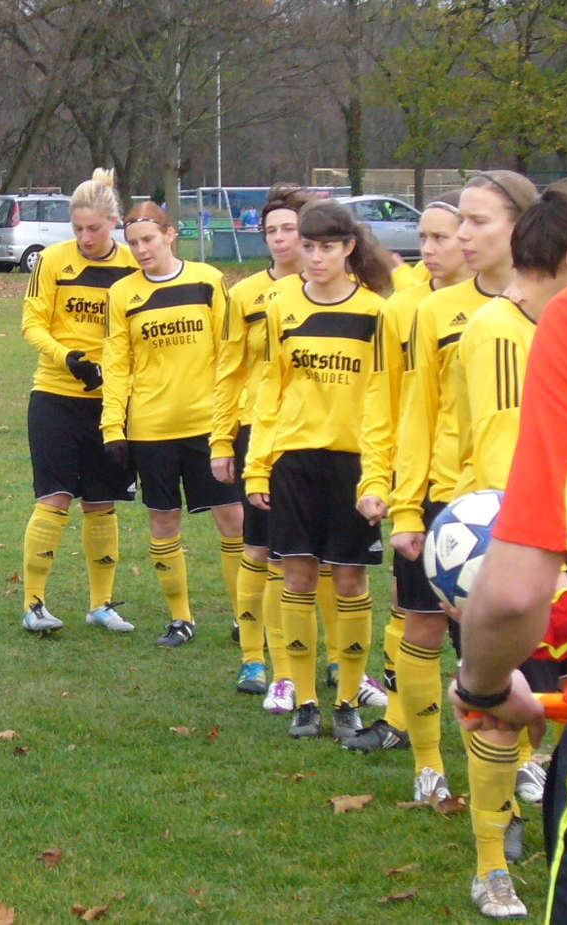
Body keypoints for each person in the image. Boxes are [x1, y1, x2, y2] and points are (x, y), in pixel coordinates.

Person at [353, 171, 538, 797]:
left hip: (530, 499)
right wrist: (407, 507)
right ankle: (428, 764)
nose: (461, 234)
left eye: (477, 220)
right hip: (450, 505)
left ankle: (516, 769)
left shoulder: (550, 306)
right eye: (459, 220)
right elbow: (416, 412)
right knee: (424, 626)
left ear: (523, 226)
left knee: (511, 645)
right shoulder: (433, 312)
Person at [450, 187, 567, 918]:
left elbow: (510, 592)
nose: (462, 236)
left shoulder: (562, 323)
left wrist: (480, 677)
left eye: (475, 222)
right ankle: (492, 856)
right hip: (499, 525)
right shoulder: (489, 325)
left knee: (497, 700)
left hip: (529, 547)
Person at [211, 185, 387, 712]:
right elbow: (269, 392)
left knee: (349, 576)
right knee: (296, 573)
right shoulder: (280, 306)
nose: (313, 256)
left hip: (352, 462)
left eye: (325, 247)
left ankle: (350, 693)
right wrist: (257, 466)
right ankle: (300, 693)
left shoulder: (379, 312)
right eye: (307, 247)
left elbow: (384, 400)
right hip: (291, 461)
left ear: (348, 248)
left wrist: (379, 473)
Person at [345, 190, 470, 751]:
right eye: (424, 237)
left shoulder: (515, 307)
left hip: (488, 488)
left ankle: (517, 754)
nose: (430, 249)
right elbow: (385, 403)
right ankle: (402, 722)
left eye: (441, 238)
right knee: (409, 610)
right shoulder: (405, 309)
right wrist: (381, 479)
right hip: (420, 483)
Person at [100, 201, 243, 646]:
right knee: (163, 521)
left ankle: (247, 618)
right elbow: (116, 364)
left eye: (148, 239)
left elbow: (229, 356)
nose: (141, 250)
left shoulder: (208, 281)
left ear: (170, 235)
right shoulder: (122, 294)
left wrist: (229, 419)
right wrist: (113, 428)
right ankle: (181, 618)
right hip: (150, 429)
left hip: (207, 426)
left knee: (233, 519)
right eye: (133, 243)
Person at [21, 168, 138, 635]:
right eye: (78, 229)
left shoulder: (132, 265)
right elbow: (32, 323)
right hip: (55, 394)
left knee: (102, 502)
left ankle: (101, 604)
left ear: (114, 222)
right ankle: (33, 605)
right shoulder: (52, 261)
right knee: (54, 498)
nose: (85, 237)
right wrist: (69, 357)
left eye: (94, 228)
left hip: (110, 402)